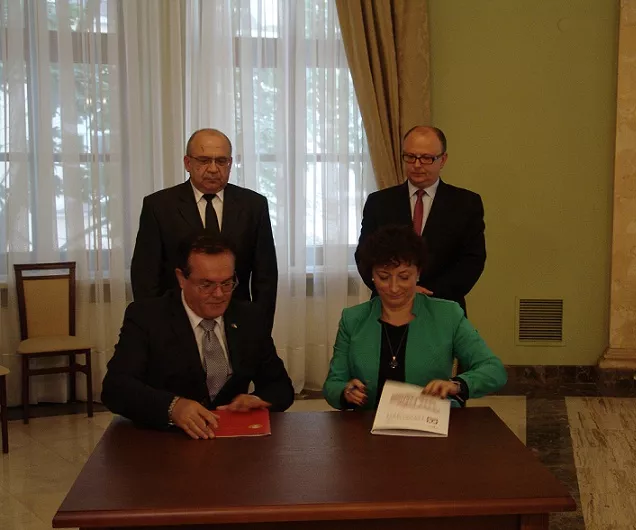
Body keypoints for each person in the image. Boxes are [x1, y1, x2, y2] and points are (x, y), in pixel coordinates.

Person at [103, 234, 294, 439]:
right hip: (166, 440)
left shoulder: (249, 317)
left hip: (232, 441)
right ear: (181, 279)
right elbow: (115, 388)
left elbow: (281, 387)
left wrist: (257, 399)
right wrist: (172, 407)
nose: (219, 294)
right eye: (206, 285)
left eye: (227, 283)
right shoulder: (147, 317)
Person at [324, 225, 505, 410]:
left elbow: (494, 370)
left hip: (430, 420)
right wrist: (345, 391)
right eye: (384, 277)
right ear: (372, 275)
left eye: (404, 277)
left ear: (418, 273)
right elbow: (333, 384)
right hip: (369, 422)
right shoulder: (353, 319)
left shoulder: (447, 315)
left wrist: (457, 385)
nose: (394, 287)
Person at [130, 128, 278, 330]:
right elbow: (145, 275)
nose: (213, 169)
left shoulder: (253, 205)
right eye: (204, 160)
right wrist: (154, 328)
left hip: (237, 321)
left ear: (230, 163)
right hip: (175, 322)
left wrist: (261, 327)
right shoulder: (159, 206)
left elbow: (266, 277)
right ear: (187, 163)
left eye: (221, 161)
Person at [355, 125, 485, 316]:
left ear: (443, 160)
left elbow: (472, 260)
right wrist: (398, 289)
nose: (417, 165)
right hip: (388, 307)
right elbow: (364, 256)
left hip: (443, 307)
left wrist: (426, 294)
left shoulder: (466, 203)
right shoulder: (379, 202)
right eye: (410, 157)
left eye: (426, 158)